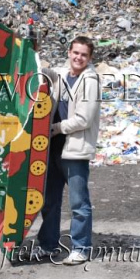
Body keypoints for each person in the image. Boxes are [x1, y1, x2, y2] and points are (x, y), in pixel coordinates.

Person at [33, 36, 101, 265]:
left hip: (74, 150)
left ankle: (81, 247)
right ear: (69, 53)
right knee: (49, 201)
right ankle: (47, 245)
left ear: (89, 58)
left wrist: (55, 128)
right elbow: (47, 75)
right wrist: (32, 58)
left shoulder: (90, 81)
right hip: (53, 149)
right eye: (76, 53)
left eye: (84, 55)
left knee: (78, 203)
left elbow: (84, 119)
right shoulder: (63, 74)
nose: (79, 58)